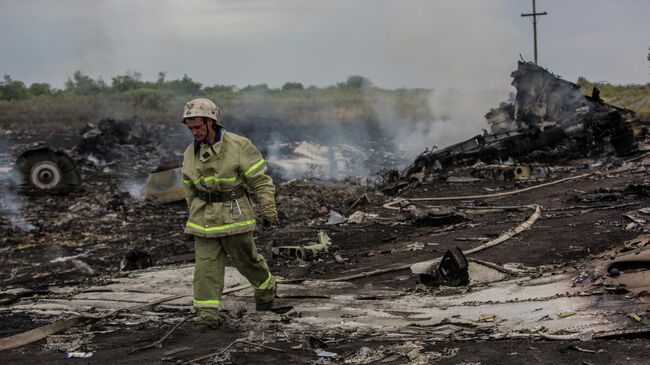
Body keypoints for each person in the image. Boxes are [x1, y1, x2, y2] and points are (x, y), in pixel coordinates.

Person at [180, 98, 277, 328]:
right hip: (203, 220)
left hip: (234, 216)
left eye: (197, 127)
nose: (194, 132)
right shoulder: (189, 154)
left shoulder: (238, 146)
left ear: (211, 122)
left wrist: (268, 207)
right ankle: (207, 317)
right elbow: (189, 189)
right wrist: (192, 213)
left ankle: (266, 290)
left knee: (247, 262)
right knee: (205, 269)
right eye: (190, 128)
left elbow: (260, 180)